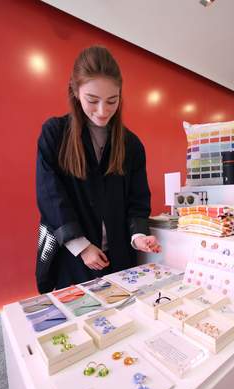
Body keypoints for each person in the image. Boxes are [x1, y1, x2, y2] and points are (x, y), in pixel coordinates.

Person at [36, 45, 161, 293]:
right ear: (75, 91)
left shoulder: (131, 144)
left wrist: (138, 236)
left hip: (119, 256)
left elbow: (138, 200)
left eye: (112, 101)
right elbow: (50, 195)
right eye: (92, 100)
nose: (103, 111)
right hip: (70, 257)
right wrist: (81, 246)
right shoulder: (55, 133)